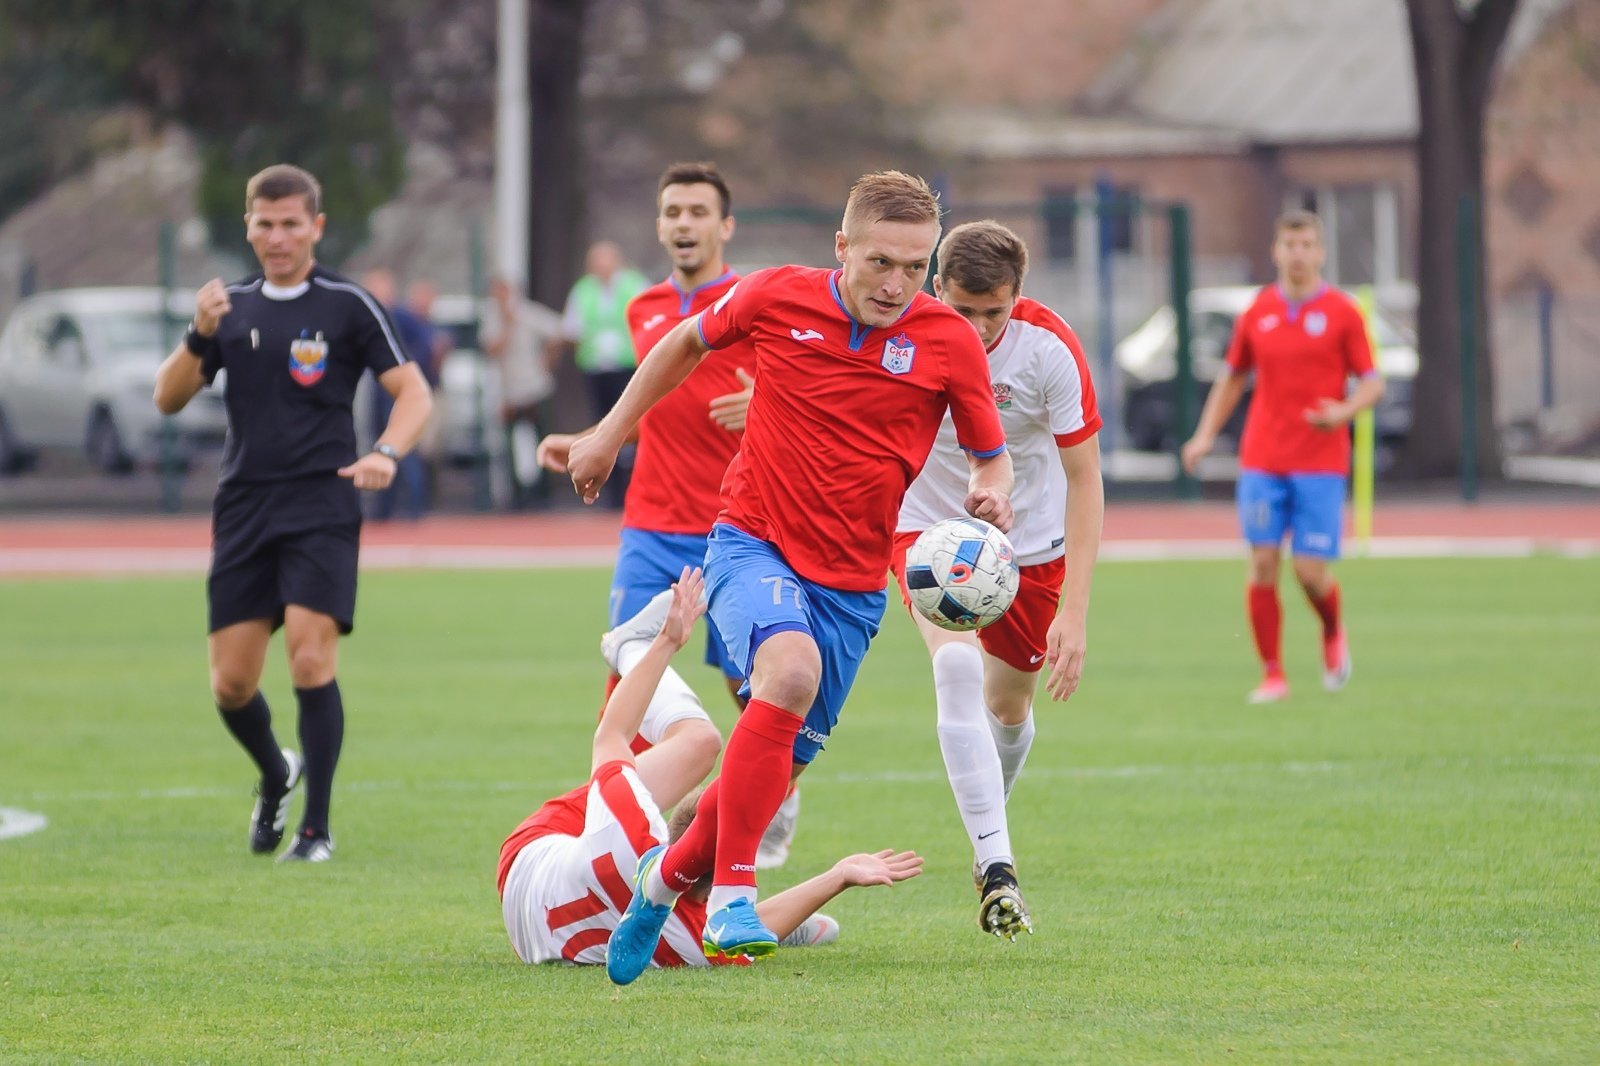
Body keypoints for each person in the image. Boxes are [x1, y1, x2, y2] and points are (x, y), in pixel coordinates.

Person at [566, 170, 1014, 985]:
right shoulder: (776, 297)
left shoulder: (947, 340)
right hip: (751, 542)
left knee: (751, 787)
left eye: (916, 268)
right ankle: (735, 895)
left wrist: (995, 492)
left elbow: (993, 454)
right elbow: (685, 342)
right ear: (841, 247)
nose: (896, 284)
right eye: (880, 262)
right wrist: (608, 432)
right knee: (789, 672)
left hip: (851, 589)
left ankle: (664, 881)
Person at [152, 163, 433, 862]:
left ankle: (317, 828)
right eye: (264, 224)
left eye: (290, 224)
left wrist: (388, 454)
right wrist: (196, 332)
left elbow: (415, 393)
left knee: (310, 658)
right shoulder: (227, 307)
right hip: (244, 505)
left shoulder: (347, 304)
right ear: (247, 226)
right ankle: (277, 774)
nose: (277, 237)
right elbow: (167, 398)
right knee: (231, 683)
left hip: (322, 501)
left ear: (316, 227)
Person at [535, 162, 800, 868]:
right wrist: (596, 437)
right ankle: (615, 840)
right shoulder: (642, 306)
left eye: (697, 212)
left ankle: (768, 796)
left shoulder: (753, 303)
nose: (684, 223)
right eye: (673, 211)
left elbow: (802, 389)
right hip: (649, 525)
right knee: (625, 674)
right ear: (659, 225)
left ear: (725, 225)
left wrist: (764, 407)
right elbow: (650, 398)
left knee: (750, 685)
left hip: (732, 528)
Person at [498, 568, 923, 969]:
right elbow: (746, 927)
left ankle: (629, 646)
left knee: (700, 742)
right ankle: (630, 648)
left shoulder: (629, 833)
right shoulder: (687, 942)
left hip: (529, 858)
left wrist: (666, 641)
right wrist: (838, 876)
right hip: (526, 924)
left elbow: (611, 735)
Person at [891, 221, 1104, 941]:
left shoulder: (1050, 348)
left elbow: (1085, 478)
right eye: (964, 309)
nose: (979, 328)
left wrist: (1074, 610)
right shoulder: (902, 332)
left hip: (1029, 545)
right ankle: (998, 868)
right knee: (952, 662)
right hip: (925, 526)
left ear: (1019, 296)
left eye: (996, 312)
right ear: (936, 288)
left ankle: (987, 818)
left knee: (1007, 708)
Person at [1181, 210, 1384, 704]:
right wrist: (1204, 434)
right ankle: (1273, 674)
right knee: (1264, 563)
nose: (1297, 253)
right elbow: (1232, 377)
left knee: (1310, 572)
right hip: (1263, 459)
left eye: (1306, 244)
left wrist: (1344, 411)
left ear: (1320, 252)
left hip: (1320, 461)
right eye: (1289, 244)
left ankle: (1333, 631)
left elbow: (1373, 382)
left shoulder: (1342, 312)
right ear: (1276, 251)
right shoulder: (1258, 312)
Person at [551, 241, 650, 509]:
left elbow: (651, 323)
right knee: (604, 427)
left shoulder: (634, 285)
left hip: (630, 369)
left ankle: (638, 488)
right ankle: (611, 494)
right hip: (597, 370)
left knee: (635, 425)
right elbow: (571, 330)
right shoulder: (583, 292)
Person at [362, 269, 437, 521]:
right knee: (380, 447)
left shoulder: (401, 317)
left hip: (398, 396)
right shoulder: (369, 317)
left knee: (405, 453)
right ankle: (384, 511)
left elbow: (428, 346)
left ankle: (415, 509)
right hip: (379, 394)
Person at [481, 276, 562, 509]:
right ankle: (516, 495)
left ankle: (545, 493)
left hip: (535, 387)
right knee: (509, 446)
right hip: (509, 391)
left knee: (542, 441)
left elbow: (558, 331)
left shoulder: (528, 313)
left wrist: (546, 361)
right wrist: (507, 324)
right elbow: (492, 349)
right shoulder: (492, 318)